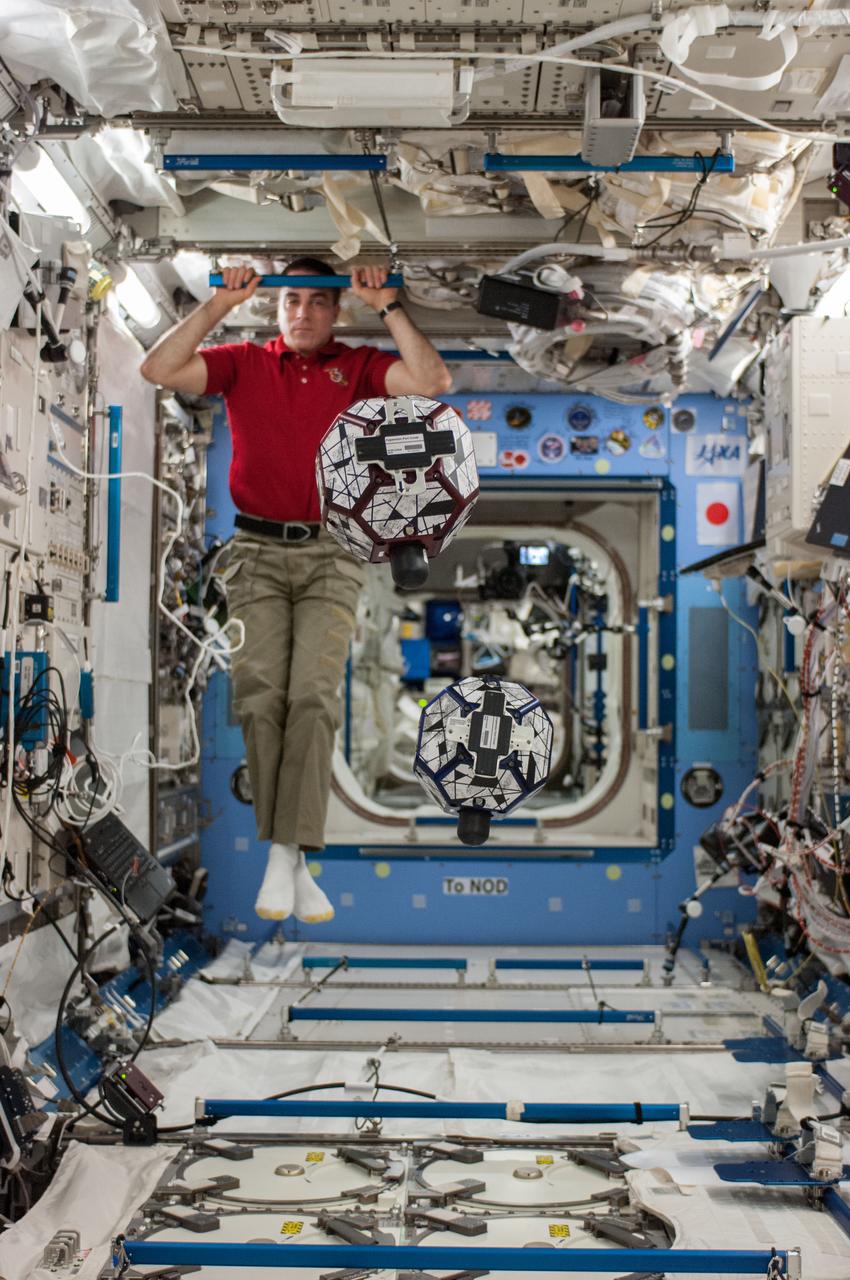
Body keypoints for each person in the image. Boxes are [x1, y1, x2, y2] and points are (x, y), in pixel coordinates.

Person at [140, 258, 451, 922]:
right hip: (253, 554)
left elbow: (430, 381)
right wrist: (220, 304)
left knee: (311, 695)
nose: (303, 313)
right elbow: (158, 369)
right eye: (290, 302)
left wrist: (390, 305)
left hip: (333, 553)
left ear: (336, 312)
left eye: (317, 302)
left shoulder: (361, 367)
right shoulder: (244, 363)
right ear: (275, 308)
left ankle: (289, 854)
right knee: (260, 698)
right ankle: (290, 855)